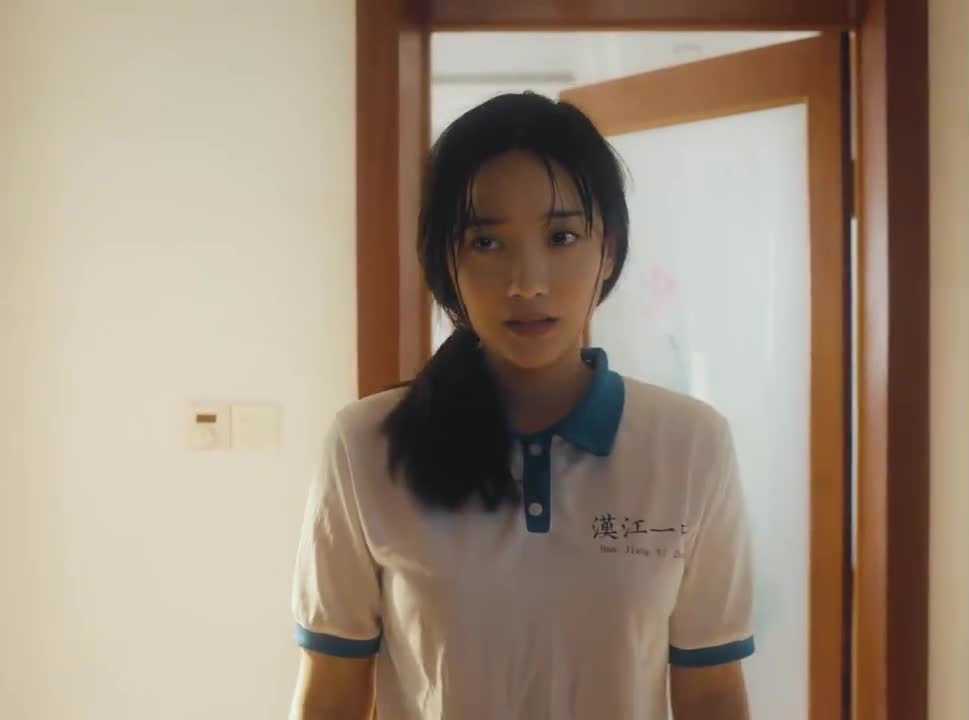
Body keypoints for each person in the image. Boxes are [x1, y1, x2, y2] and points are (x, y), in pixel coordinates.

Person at [289, 92, 754, 720]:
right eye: (486, 242)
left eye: (562, 236)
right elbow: (331, 693)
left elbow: (712, 693)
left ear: (608, 250)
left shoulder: (691, 445)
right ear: (446, 260)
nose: (527, 283)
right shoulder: (367, 444)